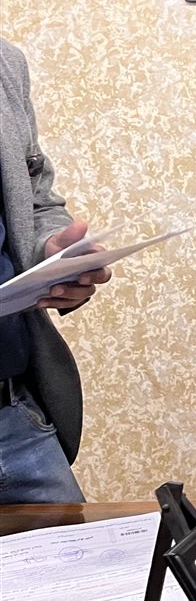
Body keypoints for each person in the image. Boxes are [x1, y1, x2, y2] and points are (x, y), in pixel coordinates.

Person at [0, 38, 112, 504]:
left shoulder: (6, 63)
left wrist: (53, 255)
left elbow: (36, 198)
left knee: (85, 554)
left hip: (15, 419)